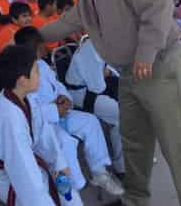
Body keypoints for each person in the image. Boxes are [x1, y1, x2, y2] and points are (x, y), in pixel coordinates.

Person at [39, 0, 181, 206]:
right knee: (134, 141)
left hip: (158, 64)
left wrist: (146, 52)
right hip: (130, 72)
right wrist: (32, 38)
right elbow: (67, 22)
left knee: (177, 142)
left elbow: (158, 5)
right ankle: (135, 199)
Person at [15, 27, 124, 195]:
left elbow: (58, 85)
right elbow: (29, 109)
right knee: (65, 142)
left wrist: (64, 98)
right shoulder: (20, 76)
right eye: (41, 44)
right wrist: (54, 109)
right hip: (44, 123)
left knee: (90, 122)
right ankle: (75, 185)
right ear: (34, 48)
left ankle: (99, 173)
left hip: (60, 111)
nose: (45, 47)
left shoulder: (42, 65)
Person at [0, 45, 81, 206]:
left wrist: (59, 164)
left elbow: (44, 134)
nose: (40, 75)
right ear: (22, 80)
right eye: (36, 71)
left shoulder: (27, 97)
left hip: (27, 161)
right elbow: (22, 170)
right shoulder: (8, 116)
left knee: (71, 197)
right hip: (4, 173)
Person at [65, 37, 125, 176]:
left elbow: (111, 67)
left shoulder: (103, 41)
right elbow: (97, 86)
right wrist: (107, 73)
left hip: (92, 86)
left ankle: (128, 153)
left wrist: (108, 72)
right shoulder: (91, 49)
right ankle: (121, 166)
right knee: (122, 114)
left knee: (131, 100)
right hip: (82, 93)